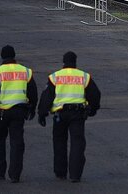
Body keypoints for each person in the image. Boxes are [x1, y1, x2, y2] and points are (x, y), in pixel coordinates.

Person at [38, 51, 101, 183]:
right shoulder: (84, 76)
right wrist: (93, 109)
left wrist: (42, 113)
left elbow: (47, 96)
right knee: (77, 143)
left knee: (59, 142)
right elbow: (95, 94)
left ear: (63, 62)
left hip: (59, 114)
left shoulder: (55, 76)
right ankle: (75, 175)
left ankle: (60, 173)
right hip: (77, 114)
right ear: (75, 62)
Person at [0, 45, 38, 183]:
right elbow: (33, 92)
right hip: (19, 112)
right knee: (17, 143)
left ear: (2, 56)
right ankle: (15, 175)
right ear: (14, 56)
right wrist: (32, 108)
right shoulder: (25, 71)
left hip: (2, 112)